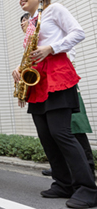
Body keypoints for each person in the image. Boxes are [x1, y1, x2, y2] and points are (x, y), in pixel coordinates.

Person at [12, 0, 97, 208]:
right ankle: (63, 183)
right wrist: (20, 71)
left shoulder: (54, 9)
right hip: (37, 80)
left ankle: (88, 188)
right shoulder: (30, 23)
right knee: (46, 136)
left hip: (57, 75)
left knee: (62, 133)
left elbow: (79, 33)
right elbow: (32, 54)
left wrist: (52, 48)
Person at [20, 14, 95, 178]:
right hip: (44, 87)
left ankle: (87, 169)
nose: (23, 24)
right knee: (53, 133)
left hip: (62, 85)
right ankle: (63, 172)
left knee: (73, 130)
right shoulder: (30, 45)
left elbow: (67, 56)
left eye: (26, 21)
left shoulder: (54, 36)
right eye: (22, 23)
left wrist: (48, 51)